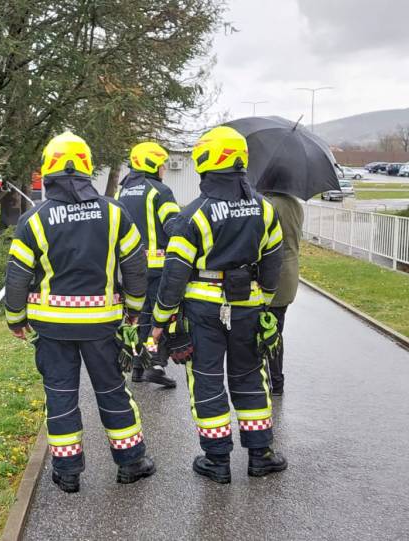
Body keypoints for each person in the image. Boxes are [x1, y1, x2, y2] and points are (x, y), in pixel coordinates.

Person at [4, 131, 156, 493]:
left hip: (52, 327)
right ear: (87, 168)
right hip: (102, 324)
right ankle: (130, 463)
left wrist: (15, 318)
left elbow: (17, 276)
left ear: (49, 170)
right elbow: (136, 267)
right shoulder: (114, 213)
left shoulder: (34, 219)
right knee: (112, 390)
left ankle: (67, 472)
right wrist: (134, 309)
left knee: (60, 395)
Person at [150, 126, 288, 482]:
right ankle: (261, 455)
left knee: (207, 381)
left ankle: (217, 461)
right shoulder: (265, 209)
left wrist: (161, 320)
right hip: (249, 307)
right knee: (250, 378)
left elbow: (174, 274)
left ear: (206, 161)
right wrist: (264, 303)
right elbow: (274, 260)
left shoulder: (193, 215)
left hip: (203, 311)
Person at [116, 141, 181, 388]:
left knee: (138, 317)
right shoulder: (159, 191)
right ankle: (155, 363)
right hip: (157, 268)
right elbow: (173, 226)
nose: (164, 168)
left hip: (129, 269)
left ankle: (137, 366)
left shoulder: (122, 192)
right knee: (159, 318)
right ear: (152, 164)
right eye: (162, 164)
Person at [260, 191, 304, 395]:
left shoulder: (270, 205)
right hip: (290, 273)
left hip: (274, 275)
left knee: (269, 331)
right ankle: (276, 379)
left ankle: (274, 380)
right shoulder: (295, 204)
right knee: (277, 328)